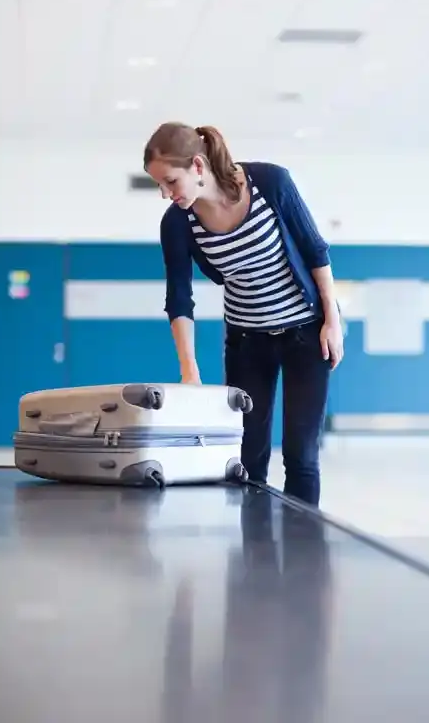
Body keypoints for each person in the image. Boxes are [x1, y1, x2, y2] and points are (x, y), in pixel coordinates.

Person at [143, 122, 343, 506]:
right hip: (247, 342)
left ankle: (303, 555)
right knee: (247, 456)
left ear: (197, 167)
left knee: (301, 454)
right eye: (160, 186)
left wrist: (331, 321)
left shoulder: (270, 183)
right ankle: (254, 554)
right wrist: (190, 370)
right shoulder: (178, 222)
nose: (166, 194)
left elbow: (316, 251)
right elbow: (180, 298)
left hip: (305, 332)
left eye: (170, 181)